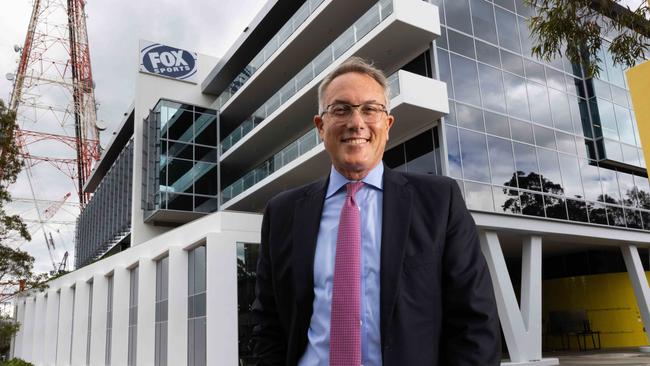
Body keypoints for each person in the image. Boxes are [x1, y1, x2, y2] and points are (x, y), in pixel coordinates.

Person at [252, 57, 501, 365]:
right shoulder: (282, 213)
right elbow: (268, 323)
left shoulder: (440, 201)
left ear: (388, 124)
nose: (356, 123)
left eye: (370, 109)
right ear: (321, 126)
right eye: (341, 109)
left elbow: (475, 321)